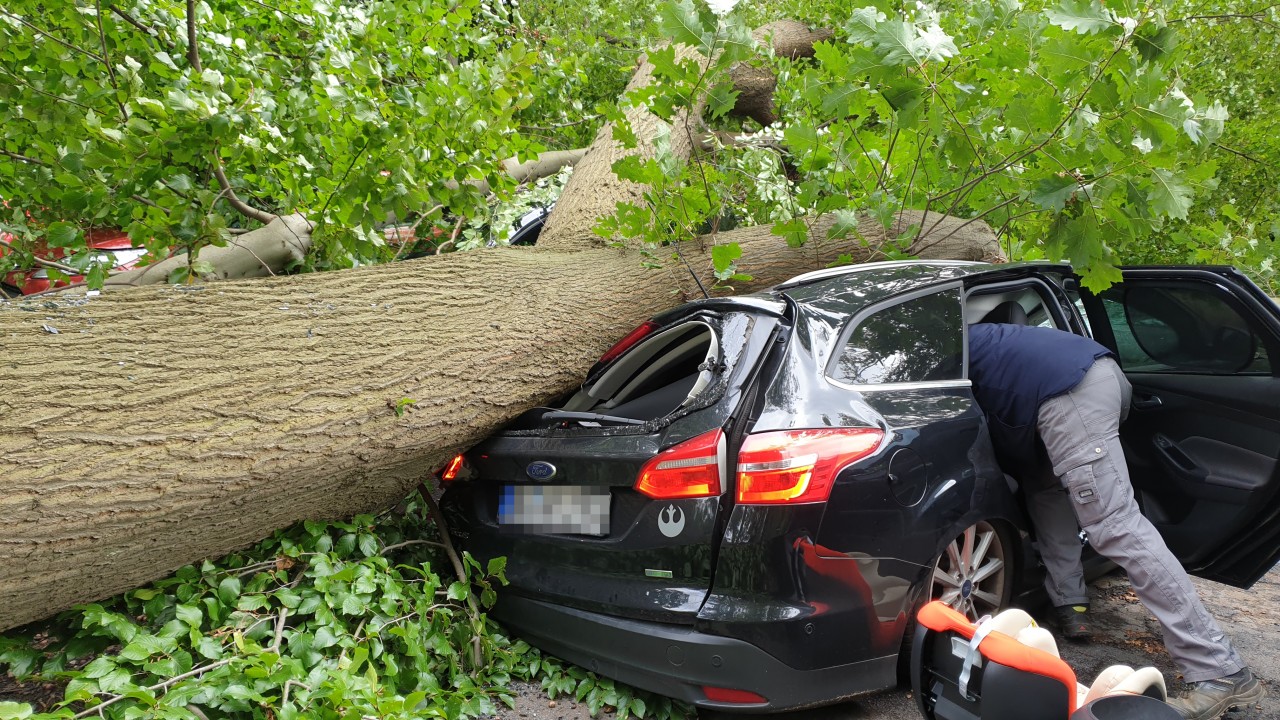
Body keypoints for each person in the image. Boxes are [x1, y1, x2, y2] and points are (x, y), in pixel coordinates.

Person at [966, 322, 1263, 720]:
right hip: (1091, 378)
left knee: (1116, 526)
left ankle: (1220, 670)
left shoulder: (927, 344)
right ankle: (1070, 604)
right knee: (1046, 489)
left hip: (1068, 395)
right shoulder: (968, 333)